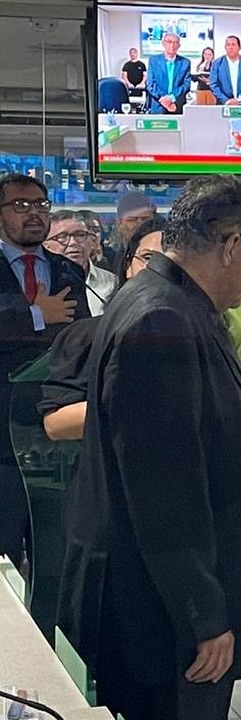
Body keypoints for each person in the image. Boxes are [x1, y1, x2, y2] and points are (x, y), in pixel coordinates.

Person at [57, 175, 241, 720]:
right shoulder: (161, 320)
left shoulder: (168, 302)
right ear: (231, 244)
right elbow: (164, 491)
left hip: (155, 594)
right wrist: (204, 616)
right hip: (159, 613)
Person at [0, 174, 89, 575]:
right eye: (20, 205)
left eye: (40, 205)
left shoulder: (67, 270)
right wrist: (37, 315)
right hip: (2, 434)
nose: (33, 213)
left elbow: (78, 335)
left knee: (55, 555)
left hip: (54, 433)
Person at [40, 217, 167, 441]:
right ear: (128, 266)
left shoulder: (208, 329)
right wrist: (148, 405)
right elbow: (56, 424)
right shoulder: (86, 336)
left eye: (170, 261)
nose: (158, 269)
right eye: (148, 258)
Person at [44, 210, 118, 317]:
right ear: (45, 245)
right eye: (62, 237)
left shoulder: (113, 283)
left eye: (80, 235)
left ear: (92, 242)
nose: (73, 243)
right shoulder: (40, 283)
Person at [145, 33, 192, 114]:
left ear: (179, 45)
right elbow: (150, 84)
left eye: (175, 42)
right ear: (163, 43)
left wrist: (171, 97)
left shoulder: (185, 62)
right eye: (169, 42)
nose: (172, 45)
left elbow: (186, 84)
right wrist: (164, 98)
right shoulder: (154, 60)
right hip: (158, 105)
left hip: (177, 105)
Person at [209, 36, 241, 106]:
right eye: (228, 45)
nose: (230, 47)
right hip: (223, 105)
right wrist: (226, 100)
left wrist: (240, 99)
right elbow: (213, 84)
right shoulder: (217, 63)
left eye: (233, 44)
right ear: (225, 47)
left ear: (239, 47)